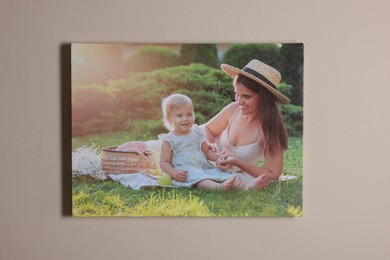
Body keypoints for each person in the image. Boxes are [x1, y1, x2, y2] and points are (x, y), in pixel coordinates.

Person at [159, 93, 268, 191]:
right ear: (169, 119)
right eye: (179, 116)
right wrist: (174, 173)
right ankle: (218, 187)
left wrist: (217, 157)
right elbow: (164, 162)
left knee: (221, 173)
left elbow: (206, 151)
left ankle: (245, 185)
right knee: (200, 178)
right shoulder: (169, 140)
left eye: (189, 114)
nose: (185, 119)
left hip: (203, 166)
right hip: (185, 170)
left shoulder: (197, 133)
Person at [204, 59, 290, 182]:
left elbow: (273, 173)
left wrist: (237, 162)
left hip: (225, 172)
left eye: (246, 96)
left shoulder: (268, 130)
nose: (239, 101)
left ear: (264, 99)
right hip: (205, 157)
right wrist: (209, 147)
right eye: (237, 94)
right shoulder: (233, 109)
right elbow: (208, 129)